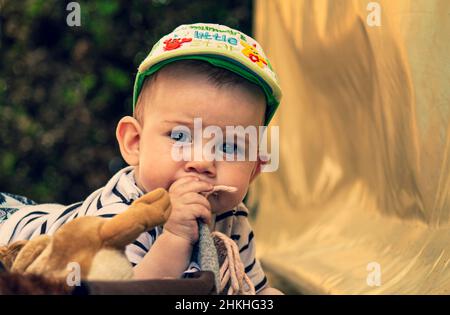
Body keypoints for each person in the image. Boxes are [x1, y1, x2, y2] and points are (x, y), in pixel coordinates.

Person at [0, 23, 282, 294]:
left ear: (254, 170)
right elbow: (121, 291)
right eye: (181, 137)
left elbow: (251, 289)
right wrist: (175, 238)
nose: (203, 162)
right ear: (134, 143)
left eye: (230, 147)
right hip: (13, 230)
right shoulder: (123, 212)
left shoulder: (233, 217)